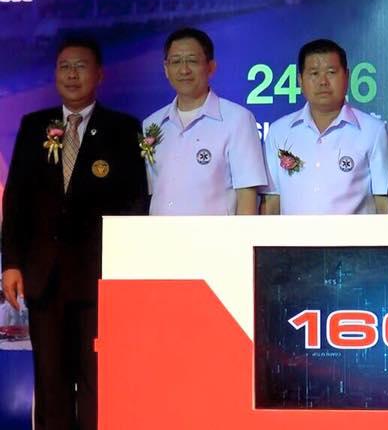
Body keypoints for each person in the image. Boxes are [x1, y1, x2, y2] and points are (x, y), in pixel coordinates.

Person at [1, 37, 148, 430]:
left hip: (98, 278)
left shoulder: (123, 129)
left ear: (99, 74)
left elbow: (136, 201)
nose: (71, 74)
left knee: (97, 379)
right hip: (44, 277)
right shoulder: (34, 125)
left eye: (81, 66)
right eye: (64, 66)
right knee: (51, 382)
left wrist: (121, 264)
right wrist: (11, 263)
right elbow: (15, 200)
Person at [142, 27, 266, 215]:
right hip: (159, 232)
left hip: (215, 234)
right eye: (176, 62)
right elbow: (152, 191)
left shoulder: (237, 119)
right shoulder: (152, 124)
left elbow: (246, 195)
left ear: (211, 67)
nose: (184, 70)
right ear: (166, 69)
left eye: (192, 61)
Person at [262, 39, 388, 214]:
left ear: (347, 76)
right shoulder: (279, 131)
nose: (323, 81)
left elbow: (384, 202)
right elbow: (271, 201)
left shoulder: (373, 131)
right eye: (314, 73)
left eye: (331, 72)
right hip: (294, 233)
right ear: (300, 80)